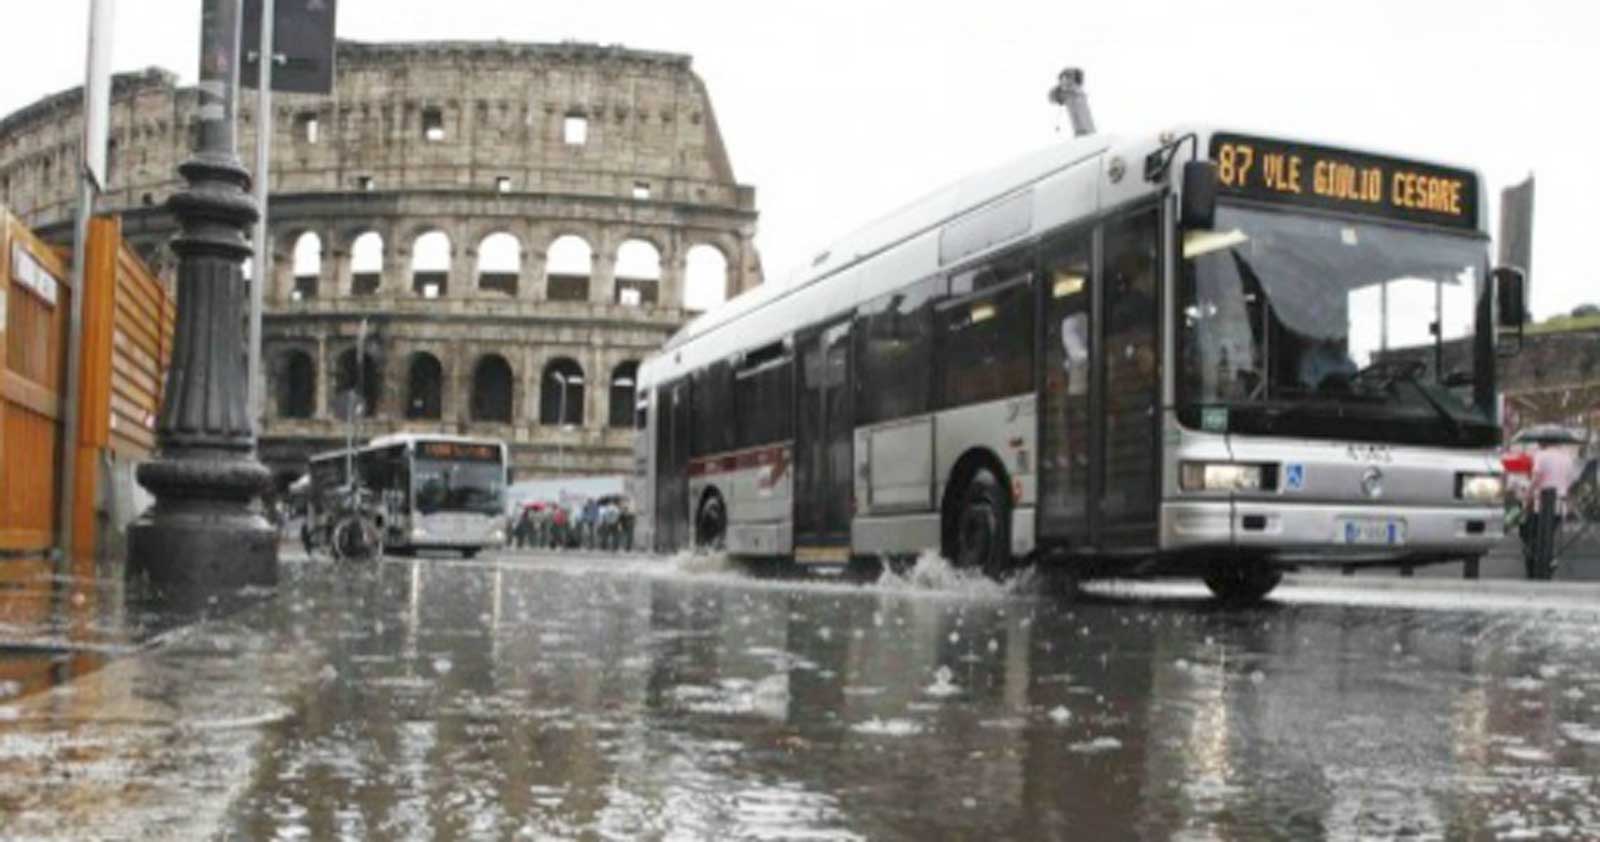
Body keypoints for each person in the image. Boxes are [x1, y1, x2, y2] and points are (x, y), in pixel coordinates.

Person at [1521, 440, 1580, 578]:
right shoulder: (1567, 458)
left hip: (1540, 503)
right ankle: (1548, 560)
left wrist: (1528, 493)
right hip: (1560, 503)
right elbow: (1572, 480)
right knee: (1549, 534)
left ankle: (1539, 564)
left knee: (1534, 535)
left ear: (1542, 442)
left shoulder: (1541, 455)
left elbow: (1536, 477)